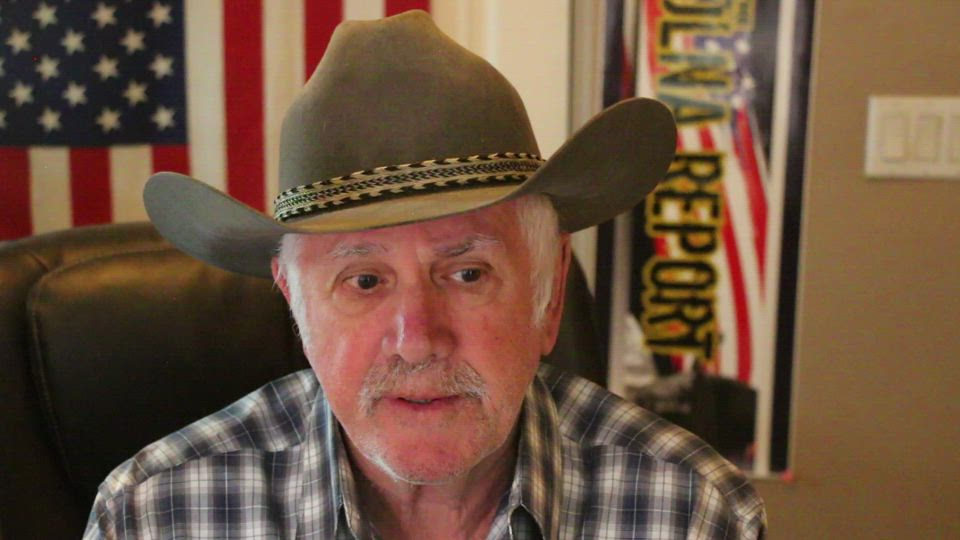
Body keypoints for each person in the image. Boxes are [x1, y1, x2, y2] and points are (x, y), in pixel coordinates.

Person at [84, 10, 765, 540]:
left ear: (550, 293)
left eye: (467, 274)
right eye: (364, 281)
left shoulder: (691, 512)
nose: (416, 340)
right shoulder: (155, 515)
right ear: (295, 302)